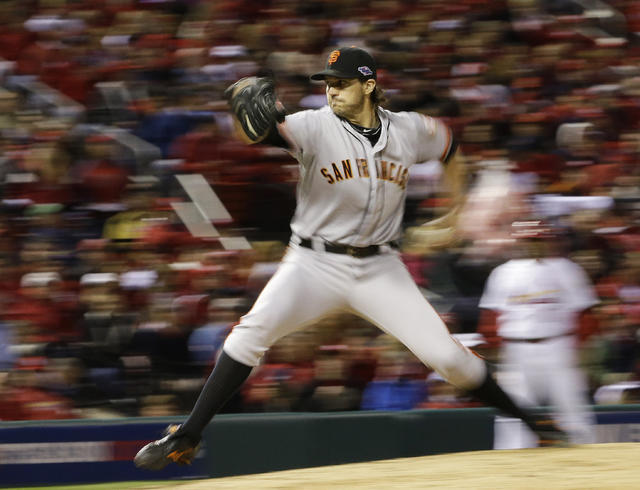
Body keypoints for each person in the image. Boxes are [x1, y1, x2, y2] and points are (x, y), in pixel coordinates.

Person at [134, 46, 566, 470]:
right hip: (313, 264)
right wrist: (247, 115)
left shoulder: (410, 129)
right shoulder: (312, 126)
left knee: (450, 359)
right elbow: (260, 133)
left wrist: (454, 214)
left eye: (341, 84)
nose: (331, 91)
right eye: (327, 84)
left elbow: (450, 147)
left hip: (380, 268)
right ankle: (187, 435)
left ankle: (535, 421)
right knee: (249, 335)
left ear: (369, 85)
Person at [479, 219, 599, 447]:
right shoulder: (502, 273)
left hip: (559, 345)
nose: (533, 245)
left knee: (571, 406)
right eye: (528, 240)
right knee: (514, 409)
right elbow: (491, 320)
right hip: (515, 350)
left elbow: (585, 315)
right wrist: (494, 355)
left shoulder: (567, 269)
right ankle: (511, 460)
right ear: (518, 242)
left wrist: (583, 352)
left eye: (537, 240)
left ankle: (586, 456)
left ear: (547, 241)